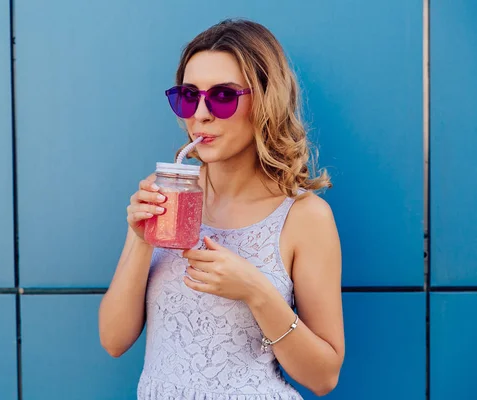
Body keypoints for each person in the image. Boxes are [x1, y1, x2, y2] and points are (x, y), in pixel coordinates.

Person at [99, 18, 345, 399]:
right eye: (188, 96)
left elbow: (323, 377)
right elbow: (113, 340)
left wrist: (255, 291)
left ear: (265, 100)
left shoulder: (304, 217)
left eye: (223, 96)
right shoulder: (169, 196)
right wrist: (140, 239)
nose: (201, 113)